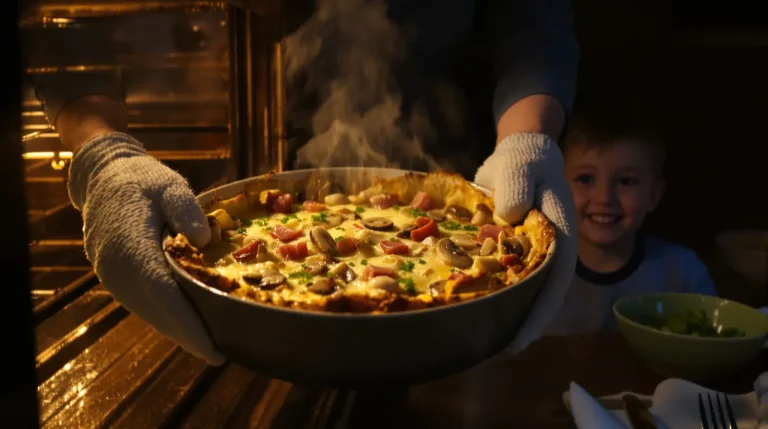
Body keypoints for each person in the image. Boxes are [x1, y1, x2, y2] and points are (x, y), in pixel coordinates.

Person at [31, 0, 580, 365]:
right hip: (222, 159)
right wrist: (103, 149)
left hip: (454, 144)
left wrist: (527, 140)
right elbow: (61, 16)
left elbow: (536, 21)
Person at [544, 97, 718, 336]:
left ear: (653, 195)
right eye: (585, 179)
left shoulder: (683, 274)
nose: (604, 198)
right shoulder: (536, 272)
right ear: (559, 189)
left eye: (626, 181)